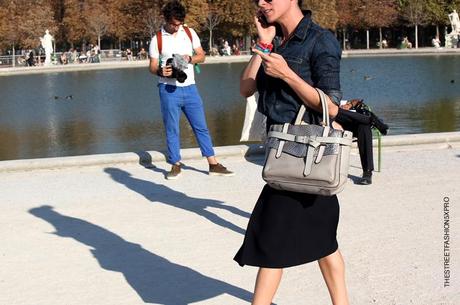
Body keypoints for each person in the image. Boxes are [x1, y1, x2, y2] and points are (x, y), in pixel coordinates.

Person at [234, 1, 349, 304]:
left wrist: (288, 75)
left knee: (270, 240)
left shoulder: (320, 40)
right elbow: (246, 88)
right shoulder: (275, 43)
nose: (262, 2)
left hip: (307, 156)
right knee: (324, 241)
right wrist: (262, 45)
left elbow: (331, 105)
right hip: (282, 156)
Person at [148, 0, 234, 180]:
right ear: (166, 19)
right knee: (172, 128)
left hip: (190, 88)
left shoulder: (189, 32)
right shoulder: (157, 39)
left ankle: (213, 163)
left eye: (179, 24)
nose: (176, 27)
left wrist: (190, 58)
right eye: (173, 24)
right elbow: (152, 66)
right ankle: (175, 164)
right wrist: (161, 71)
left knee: (201, 126)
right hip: (167, 88)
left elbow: (202, 56)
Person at [335, 99, 388, 185]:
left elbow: (356, 101)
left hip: (349, 121)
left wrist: (349, 104)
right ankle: (374, 121)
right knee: (365, 121)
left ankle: (367, 172)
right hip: (332, 121)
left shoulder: (334, 92)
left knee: (363, 126)